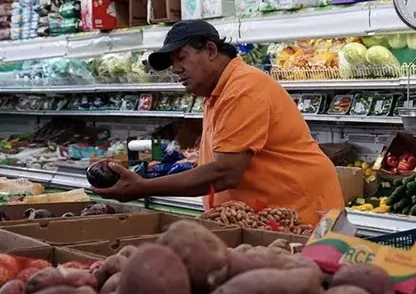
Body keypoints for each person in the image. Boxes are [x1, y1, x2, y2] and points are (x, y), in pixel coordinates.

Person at [94, 20, 344, 224]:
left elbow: (226, 173)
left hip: (302, 215)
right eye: (172, 63)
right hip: (270, 215)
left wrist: (143, 187)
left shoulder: (243, 89)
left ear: (211, 51)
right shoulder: (217, 93)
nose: (176, 69)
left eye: (182, 57)